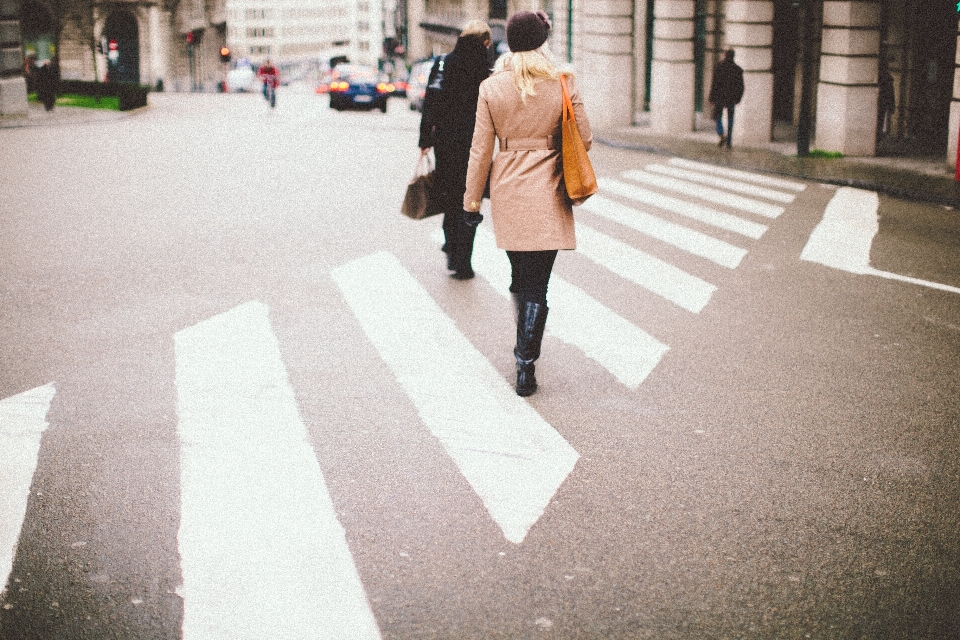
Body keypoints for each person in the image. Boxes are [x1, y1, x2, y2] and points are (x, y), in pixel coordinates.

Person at [462, 10, 592, 397]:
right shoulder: (562, 82)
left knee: (520, 278)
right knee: (539, 284)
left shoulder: (492, 87)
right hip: (549, 191)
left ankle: (523, 352)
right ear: (541, 42)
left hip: (508, 192)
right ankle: (525, 362)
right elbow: (584, 137)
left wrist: (471, 203)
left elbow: (480, 150)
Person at [418, 20, 493, 280]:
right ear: (484, 42)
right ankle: (464, 262)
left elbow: (431, 102)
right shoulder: (487, 69)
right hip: (477, 146)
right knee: (471, 202)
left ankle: (452, 247)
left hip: (447, 144)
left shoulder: (442, 64)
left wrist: (425, 139)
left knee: (451, 198)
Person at [708, 49, 744, 149]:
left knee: (717, 116)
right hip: (731, 98)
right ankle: (729, 141)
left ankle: (721, 133)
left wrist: (711, 97)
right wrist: (738, 98)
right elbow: (741, 86)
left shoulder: (719, 67)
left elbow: (714, 84)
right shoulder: (737, 69)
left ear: (725, 55)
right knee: (730, 119)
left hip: (720, 97)